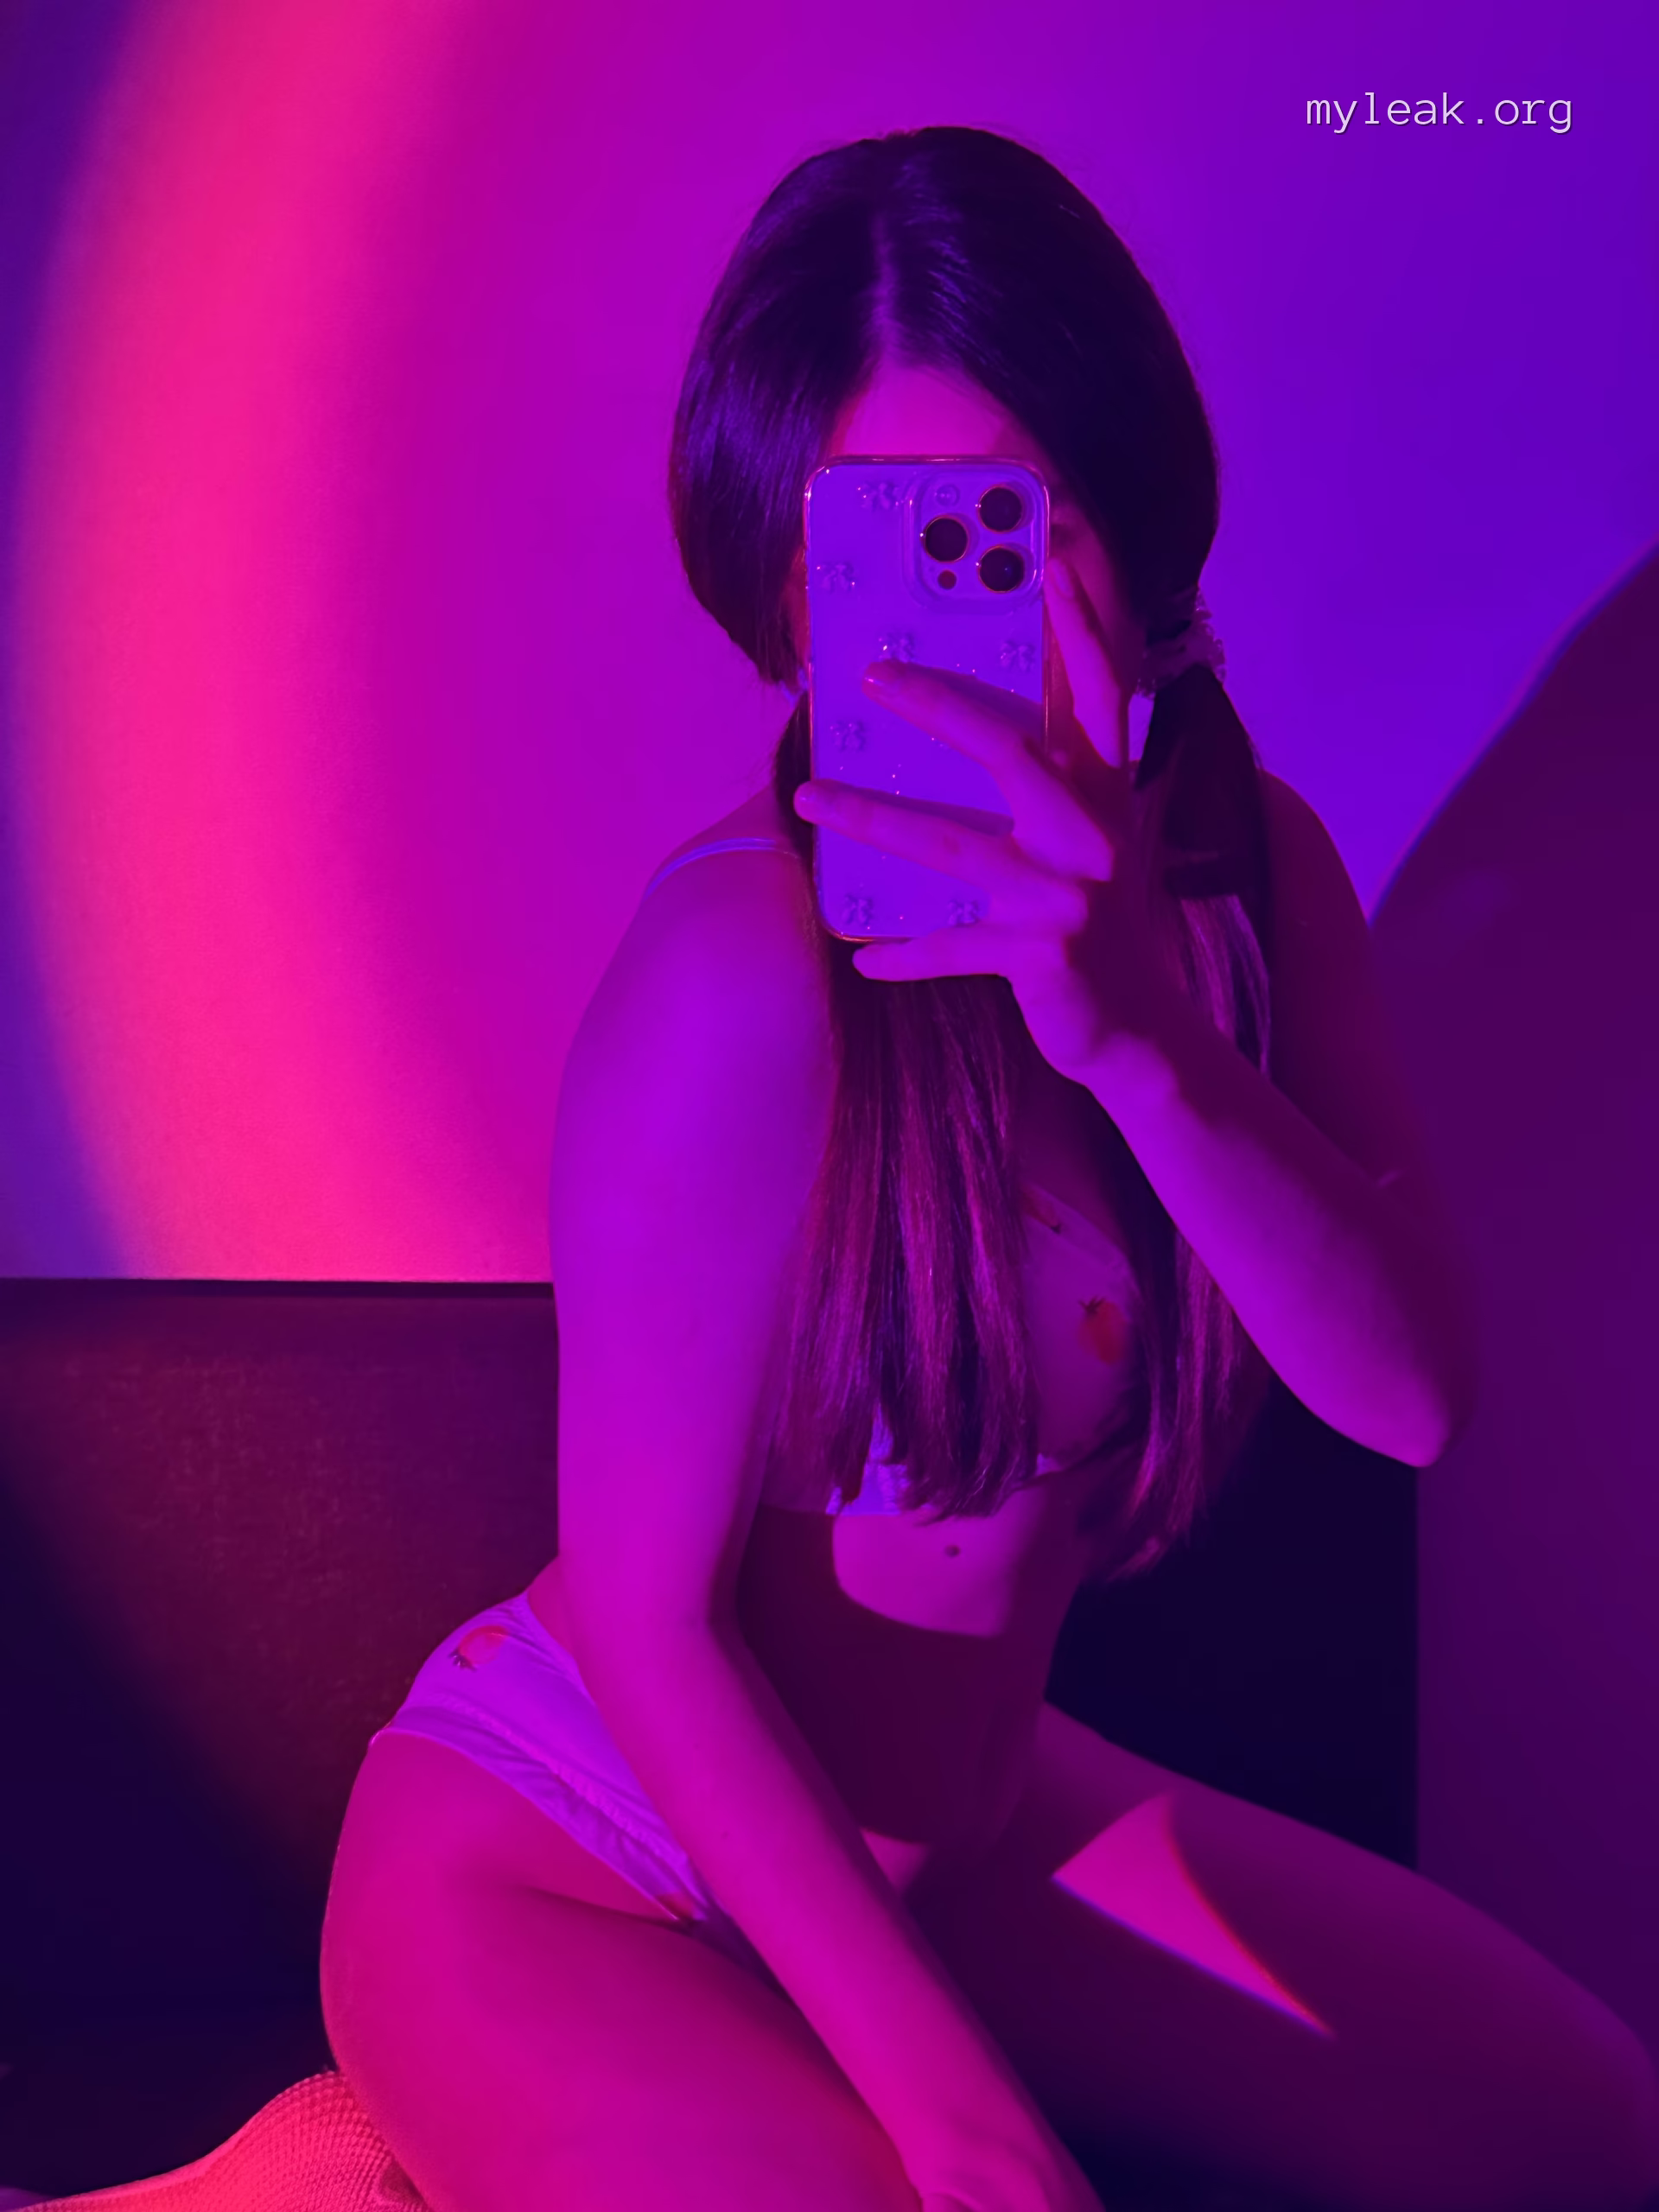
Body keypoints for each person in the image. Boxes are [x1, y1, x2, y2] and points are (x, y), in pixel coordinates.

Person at [319, 127, 1659, 2212]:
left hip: (968, 1831)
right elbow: (659, 1628)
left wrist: (1142, 1039)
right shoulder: (742, 964)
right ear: (787, 587)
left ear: (1130, 529)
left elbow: (1410, 1393)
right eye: (873, 545)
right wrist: (978, 2133)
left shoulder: (1253, 880)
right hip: (586, 1850)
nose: (945, 611)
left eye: (1002, 527)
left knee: (1588, 2127)